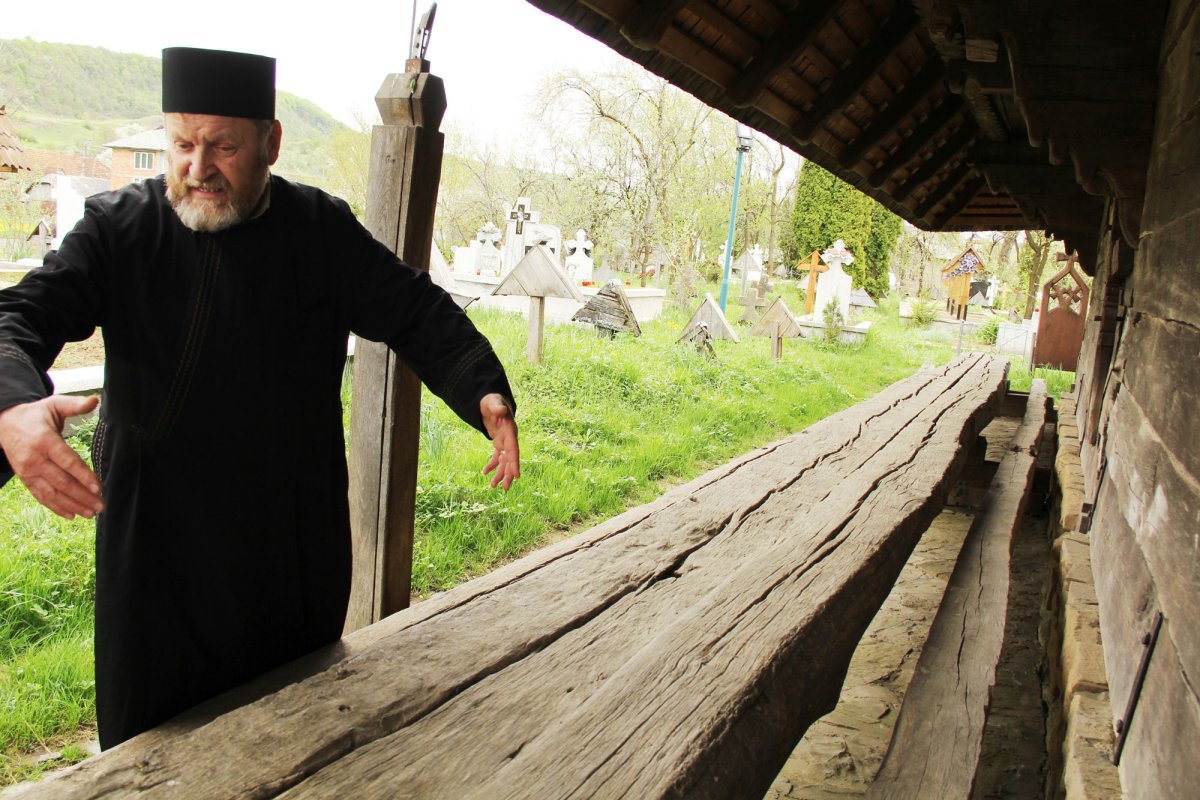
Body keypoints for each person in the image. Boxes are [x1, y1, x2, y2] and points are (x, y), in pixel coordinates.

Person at [0, 47, 520, 749]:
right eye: (182, 143)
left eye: (223, 145)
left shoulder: (317, 231)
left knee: (297, 738)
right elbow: (18, 319)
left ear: (271, 143)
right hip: (158, 552)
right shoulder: (120, 230)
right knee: (151, 755)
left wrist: (482, 386)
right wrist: (12, 405)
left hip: (285, 547)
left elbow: (414, 311)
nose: (197, 167)